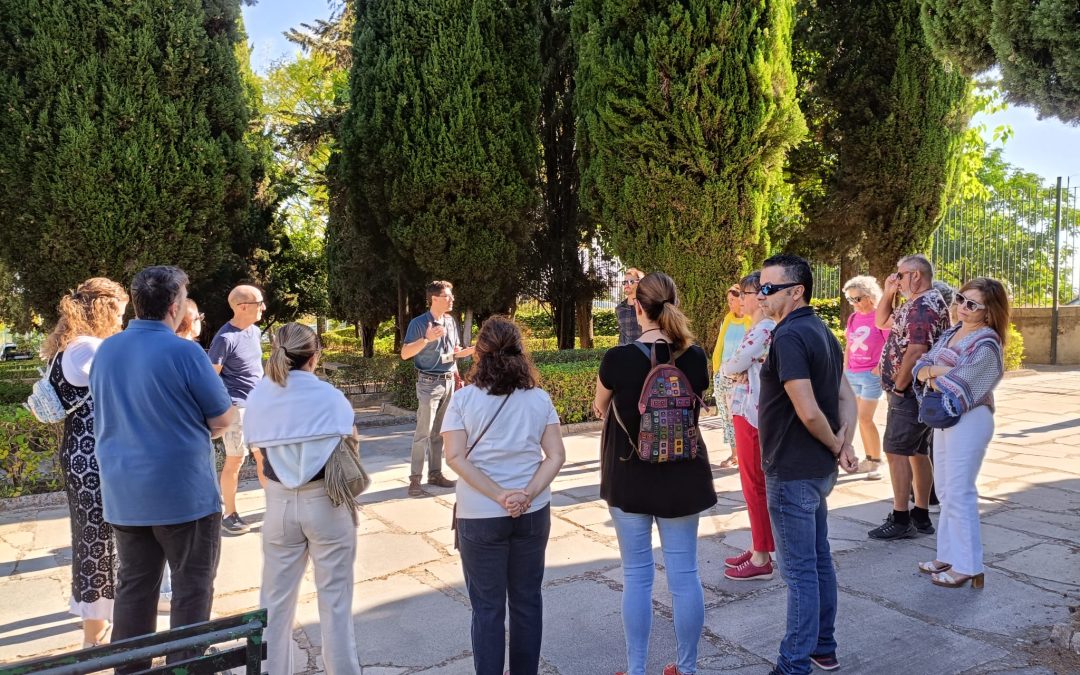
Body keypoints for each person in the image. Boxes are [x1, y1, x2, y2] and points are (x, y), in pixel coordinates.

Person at [90, 266, 235, 672]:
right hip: (183, 495)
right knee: (191, 590)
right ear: (174, 307)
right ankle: (182, 668)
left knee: (134, 589)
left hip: (124, 492)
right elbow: (223, 418)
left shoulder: (107, 350)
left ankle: (130, 668)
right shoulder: (185, 352)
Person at [592, 272, 716, 675]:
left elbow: (600, 406)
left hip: (629, 476)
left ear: (637, 307)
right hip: (683, 477)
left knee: (637, 577)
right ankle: (687, 668)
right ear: (673, 303)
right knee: (685, 575)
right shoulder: (694, 357)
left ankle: (636, 669)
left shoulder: (617, 359)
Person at [441, 317, 566, 675]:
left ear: (479, 354)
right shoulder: (539, 398)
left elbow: (455, 457)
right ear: (520, 352)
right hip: (532, 512)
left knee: (487, 608)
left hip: (479, 515)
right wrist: (525, 495)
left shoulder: (463, 400)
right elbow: (555, 456)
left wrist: (499, 495)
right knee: (527, 602)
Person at [756, 254, 858, 675]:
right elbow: (846, 397)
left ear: (796, 291)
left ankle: (793, 664)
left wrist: (837, 444)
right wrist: (844, 445)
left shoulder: (790, 336)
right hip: (814, 469)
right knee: (818, 560)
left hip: (794, 469)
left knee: (800, 571)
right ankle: (822, 647)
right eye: (759, 288)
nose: (760, 296)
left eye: (768, 288)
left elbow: (809, 410)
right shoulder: (822, 331)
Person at [244, 323, 363, 674]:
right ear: (314, 356)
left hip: (279, 502)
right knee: (336, 601)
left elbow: (258, 453)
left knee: (274, 603)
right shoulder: (329, 396)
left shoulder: (260, 397)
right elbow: (350, 439)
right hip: (326, 501)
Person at [39, 278, 128, 647]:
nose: (122, 321)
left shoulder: (68, 347)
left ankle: (99, 629)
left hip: (79, 453)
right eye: (119, 313)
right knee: (101, 542)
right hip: (96, 458)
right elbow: (124, 392)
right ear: (103, 309)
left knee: (94, 539)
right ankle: (95, 638)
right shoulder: (89, 348)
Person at [913, 278, 1009, 589]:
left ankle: (969, 566)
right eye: (960, 299)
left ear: (988, 311)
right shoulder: (951, 333)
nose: (962, 307)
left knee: (960, 491)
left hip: (970, 418)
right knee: (945, 491)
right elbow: (920, 365)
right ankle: (948, 555)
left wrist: (932, 373)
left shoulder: (987, 343)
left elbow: (962, 382)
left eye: (972, 304)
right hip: (946, 417)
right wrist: (935, 371)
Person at [869, 254, 950, 541]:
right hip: (917, 391)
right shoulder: (916, 303)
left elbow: (916, 350)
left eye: (900, 275)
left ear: (916, 275)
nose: (897, 279)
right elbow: (881, 321)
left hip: (910, 392)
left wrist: (900, 386)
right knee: (917, 451)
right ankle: (921, 514)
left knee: (896, 451)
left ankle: (901, 517)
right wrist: (889, 291)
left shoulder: (923, 307)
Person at [719, 272, 776, 581]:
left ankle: (762, 555)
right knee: (752, 484)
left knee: (754, 485)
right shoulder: (757, 328)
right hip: (747, 410)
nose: (741, 299)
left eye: (746, 293)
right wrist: (735, 368)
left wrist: (733, 369)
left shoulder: (764, 328)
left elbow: (733, 365)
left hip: (752, 414)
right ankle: (758, 545)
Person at [401, 280, 476, 497]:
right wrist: (426, 339)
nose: (452, 299)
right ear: (434, 299)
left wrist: (466, 354)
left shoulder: (451, 322)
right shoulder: (419, 323)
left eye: (451, 296)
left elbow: (453, 352)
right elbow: (405, 354)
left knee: (440, 433)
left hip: (449, 380)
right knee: (423, 433)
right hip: (428, 383)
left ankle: (435, 474)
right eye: (447, 296)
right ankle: (415, 479)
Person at [210, 285, 268, 535]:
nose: (264, 307)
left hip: (258, 407)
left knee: (264, 458)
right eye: (259, 303)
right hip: (237, 409)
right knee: (235, 460)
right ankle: (229, 515)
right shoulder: (225, 338)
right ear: (243, 307)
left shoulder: (254, 331)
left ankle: (276, 509)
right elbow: (211, 377)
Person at [841, 275, 890, 481]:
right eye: (850, 299)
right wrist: (845, 367)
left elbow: (890, 345)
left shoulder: (881, 316)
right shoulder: (853, 318)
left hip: (871, 376)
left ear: (870, 296)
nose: (854, 303)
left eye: (857, 298)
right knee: (859, 419)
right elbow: (849, 345)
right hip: (852, 374)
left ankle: (876, 461)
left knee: (865, 418)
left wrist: (878, 368)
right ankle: (870, 459)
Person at [712, 284, 752, 468]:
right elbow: (721, 346)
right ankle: (734, 454)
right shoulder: (727, 320)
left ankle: (745, 455)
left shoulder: (751, 322)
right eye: (728, 300)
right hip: (722, 374)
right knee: (726, 417)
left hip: (739, 378)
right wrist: (717, 371)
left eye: (732, 300)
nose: (729, 304)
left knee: (739, 416)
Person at [616, 267, 645, 345]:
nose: (626, 284)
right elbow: (622, 334)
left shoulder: (646, 307)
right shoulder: (619, 308)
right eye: (625, 282)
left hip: (643, 351)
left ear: (640, 284)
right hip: (624, 351)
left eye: (631, 281)